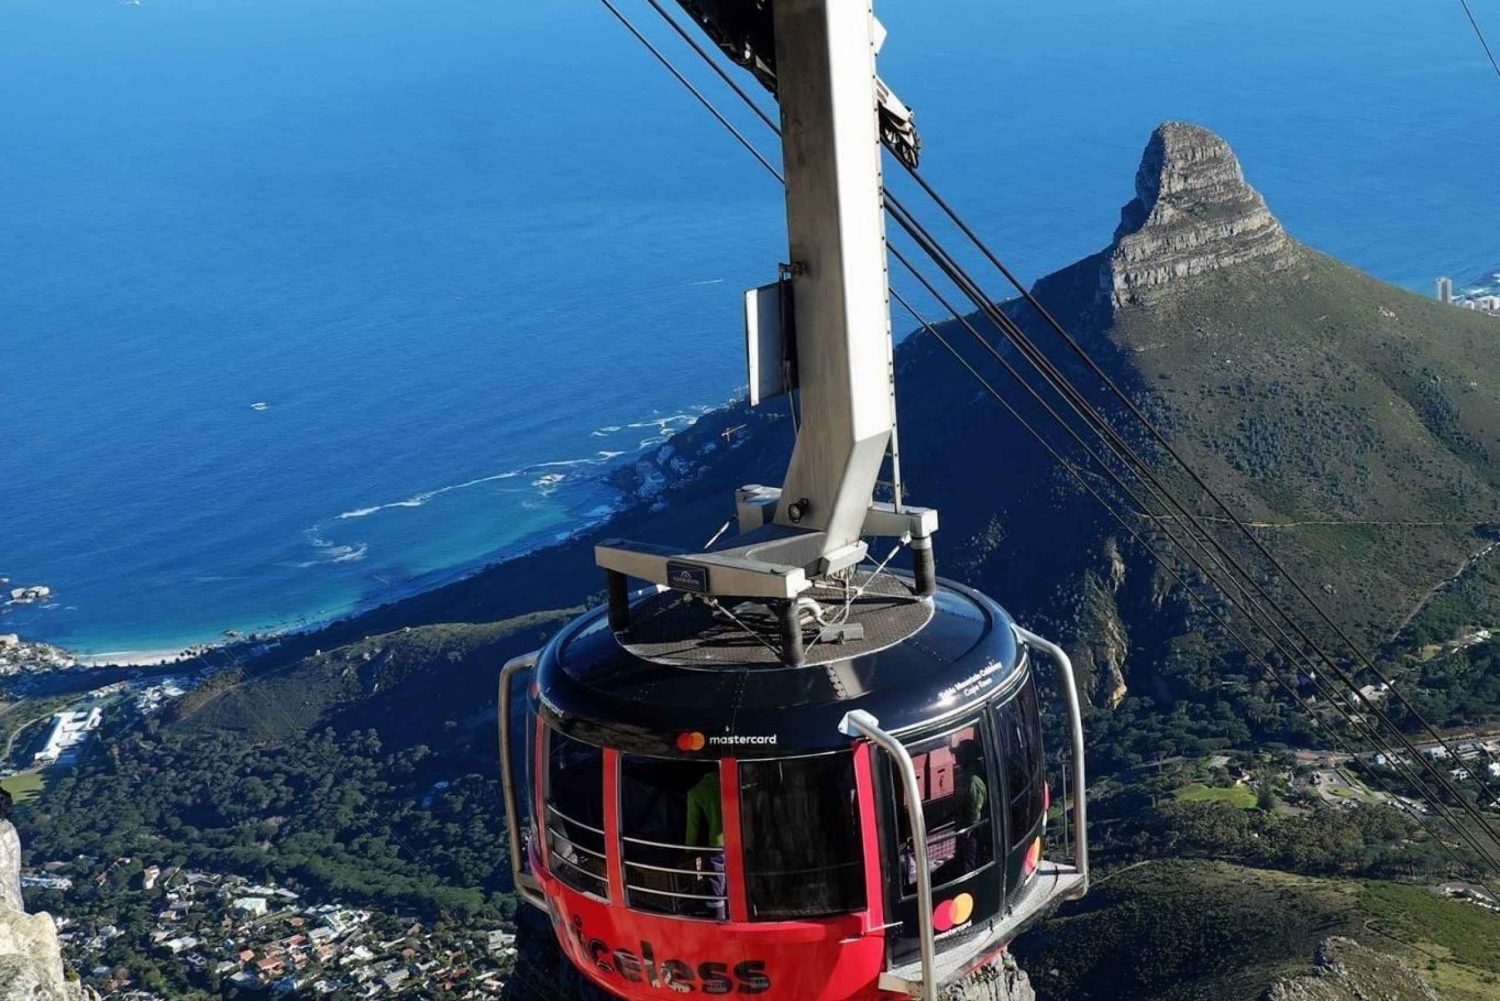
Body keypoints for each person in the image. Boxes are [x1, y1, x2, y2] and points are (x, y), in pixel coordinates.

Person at [684, 769, 726, 919]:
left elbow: (693, 825)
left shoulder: (696, 791)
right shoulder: (733, 782)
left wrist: (688, 849)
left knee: (716, 882)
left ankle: (719, 916)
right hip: (741, 841)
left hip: (716, 845)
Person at [955, 739, 988, 873]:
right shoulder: (972, 773)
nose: (956, 758)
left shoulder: (972, 781)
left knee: (968, 864)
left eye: (959, 754)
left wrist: (966, 832)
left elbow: (975, 813)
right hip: (969, 831)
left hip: (971, 834)